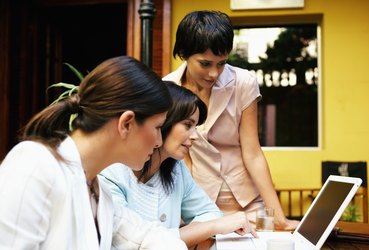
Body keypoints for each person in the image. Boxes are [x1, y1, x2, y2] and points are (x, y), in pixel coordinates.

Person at [0, 56, 187, 249]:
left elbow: (145, 235)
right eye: (157, 127)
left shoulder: (99, 193)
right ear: (127, 123)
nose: (158, 141)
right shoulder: (35, 165)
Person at [163, 10, 299, 231]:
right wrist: (186, 207)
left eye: (221, 63)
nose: (214, 73)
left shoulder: (244, 82)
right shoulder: (168, 88)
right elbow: (181, 160)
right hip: (199, 203)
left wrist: (279, 218)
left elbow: (252, 152)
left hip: (248, 202)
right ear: (184, 53)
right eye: (205, 63)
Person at [100, 82, 255, 248]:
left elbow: (209, 213)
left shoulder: (175, 169)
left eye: (195, 127)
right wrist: (209, 228)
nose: (195, 136)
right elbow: (130, 243)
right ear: (162, 122)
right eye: (188, 125)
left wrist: (205, 228)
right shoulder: (111, 173)